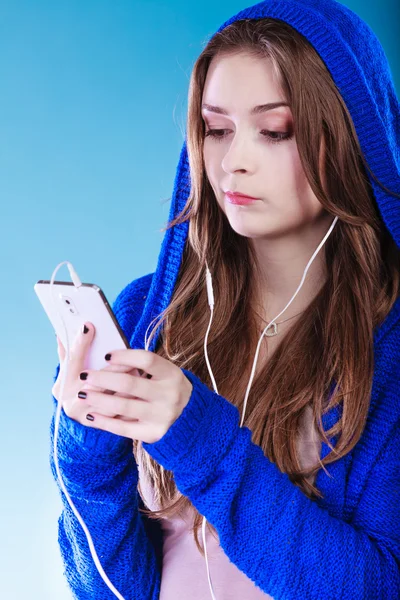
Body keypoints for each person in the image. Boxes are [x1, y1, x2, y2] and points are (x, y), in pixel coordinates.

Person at [50, 0, 400, 598]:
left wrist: (201, 439)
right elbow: (115, 589)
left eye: (275, 131)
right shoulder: (147, 316)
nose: (234, 162)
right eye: (216, 129)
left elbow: (379, 585)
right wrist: (86, 449)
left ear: (348, 137)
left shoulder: (388, 348)